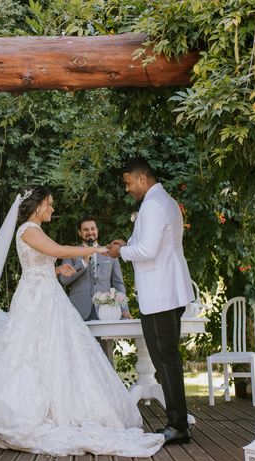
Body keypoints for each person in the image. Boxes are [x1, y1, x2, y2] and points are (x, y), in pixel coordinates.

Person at [0, 186, 164, 457]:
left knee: (55, 350)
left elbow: (38, 264)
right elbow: (61, 249)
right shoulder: (28, 230)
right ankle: (37, 411)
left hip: (45, 294)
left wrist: (54, 269)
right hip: (36, 300)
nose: (52, 208)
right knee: (34, 352)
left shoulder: (35, 231)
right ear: (39, 205)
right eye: (50, 204)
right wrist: (97, 248)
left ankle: (59, 406)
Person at [107, 159, 195, 445]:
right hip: (160, 294)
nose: (127, 188)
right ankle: (176, 423)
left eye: (128, 183)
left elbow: (147, 249)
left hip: (162, 294)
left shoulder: (155, 205)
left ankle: (178, 425)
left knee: (167, 359)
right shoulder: (158, 201)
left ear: (142, 178)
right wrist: (125, 245)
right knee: (164, 359)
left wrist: (121, 252)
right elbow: (144, 243)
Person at [58, 216, 131, 359]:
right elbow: (64, 279)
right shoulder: (70, 252)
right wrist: (83, 263)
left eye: (92, 228)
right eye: (85, 229)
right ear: (80, 233)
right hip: (78, 312)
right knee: (78, 356)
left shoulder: (111, 253)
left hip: (105, 311)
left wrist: (124, 308)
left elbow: (118, 284)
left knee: (105, 357)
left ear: (97, 231)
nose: (89, 232)